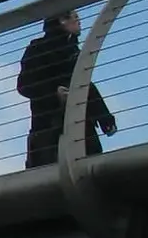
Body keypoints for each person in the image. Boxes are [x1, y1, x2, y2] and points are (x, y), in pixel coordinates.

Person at [18, 9, 115, 168]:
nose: (79, 21)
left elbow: (84, 86)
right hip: (50, 127)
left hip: (79, 127)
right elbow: (25, 84)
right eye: (75, 17)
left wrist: (105, 118)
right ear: (62, 20)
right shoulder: (39, 48)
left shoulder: (74, 51)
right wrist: (54, 94)